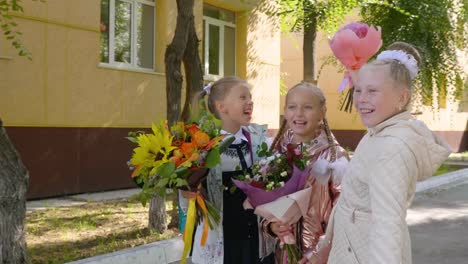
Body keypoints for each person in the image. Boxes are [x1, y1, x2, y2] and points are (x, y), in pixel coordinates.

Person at [326, 42, 452, 264]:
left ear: (402, 98)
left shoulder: (391, 148)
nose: (361, 98)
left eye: (372, 91)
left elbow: (387, 224)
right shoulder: (379, 132)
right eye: (358, 89)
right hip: (352, 248)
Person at [180, 76, 275, 264]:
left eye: (250, 97)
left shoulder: (259, 139)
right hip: (222, 242)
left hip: (255, 239)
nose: (250, 102)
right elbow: (187, 201)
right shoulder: (200, 146)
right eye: (242, 97)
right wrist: (189, 190)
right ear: (221, 107)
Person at [265, 82, 349, 264]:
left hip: (319, 255)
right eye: (292, 107)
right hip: (282, 252)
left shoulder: (333, 158)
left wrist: (319, 253)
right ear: (285, 111)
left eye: (308, 107)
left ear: (322, 112)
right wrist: (271, 226)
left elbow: (343, 213)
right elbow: (265, 200)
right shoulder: (275, 152)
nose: (299, 113)